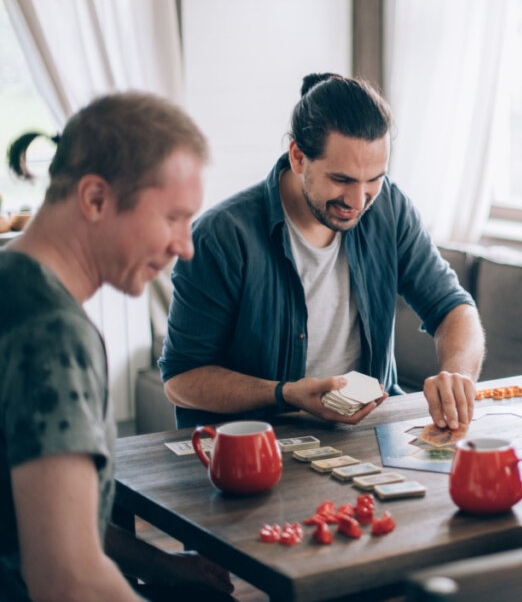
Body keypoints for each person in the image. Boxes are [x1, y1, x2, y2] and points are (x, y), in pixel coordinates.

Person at [1, 93, 233, 600]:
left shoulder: (11, 283)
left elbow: (39, 513)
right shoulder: (53, 334)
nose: (186, 245)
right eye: (173, 217)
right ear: (96, 199)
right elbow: (67, 576)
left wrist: (160, 563)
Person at [160, 73, 485, 431]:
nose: (358, 201)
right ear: (298, 157)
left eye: (374, 178)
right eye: (342, 180)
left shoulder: (389, 208)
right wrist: (285, 394)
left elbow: (454, 308)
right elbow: (182, 378)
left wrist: (456, 376)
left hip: (366, 435)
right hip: (256, 446)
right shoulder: (221, 237)